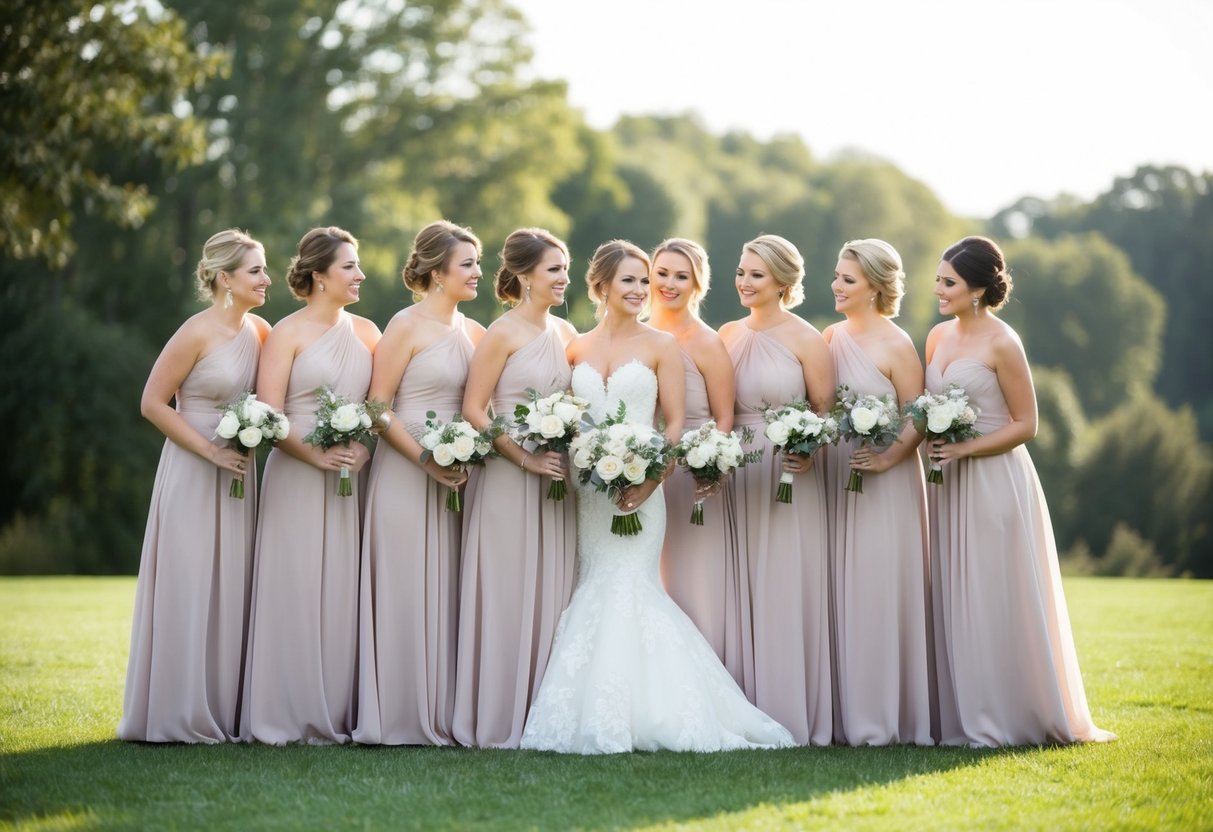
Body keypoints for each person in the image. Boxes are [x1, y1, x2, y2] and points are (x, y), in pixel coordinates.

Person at [520, 239, 793, 753]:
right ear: (600, 285)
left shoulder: (661, 347)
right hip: (590, 492)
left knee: (632, 586)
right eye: (630, 280)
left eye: (644, 281)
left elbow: (672, 424)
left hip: (644, 490)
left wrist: (649, 479)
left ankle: (660, 711)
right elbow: (568, 419)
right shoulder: (574, 346)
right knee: (594, 581)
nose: (642, 289)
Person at [926, 235, 1115, 747]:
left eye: (949, 283)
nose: (939, 291)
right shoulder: (937, 338)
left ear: (979, 288)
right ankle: (961, 714)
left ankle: (1006, 715)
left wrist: (965, 450)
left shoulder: (1003, 342)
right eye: (939, 281)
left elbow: (1027, 423)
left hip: (993, 481)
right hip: (946, 484)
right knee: (952, 591)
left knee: (993, 592)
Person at [118, 229, 271, 743]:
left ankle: (223, 709)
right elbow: (152, 402)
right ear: (225, 278)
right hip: (192, 469)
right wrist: (209, 450)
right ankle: (176, 711)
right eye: (255, 271)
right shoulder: (196, 332)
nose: (266, 278)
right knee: (190, 582)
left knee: (232, 584)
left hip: (239, 476)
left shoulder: (262, 332)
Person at [241, 226, 381, 744]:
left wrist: (365, 447)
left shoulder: (369, 334)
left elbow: (379, 408)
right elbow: (269, 415)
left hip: (348, 478)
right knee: (294, 586)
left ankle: (338, 708)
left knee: (341, 590)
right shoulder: (286, 333)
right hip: (297, 477)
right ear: (319, 276)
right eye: (349, 267)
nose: (360, 274)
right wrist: (315, 454)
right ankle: (284, 709)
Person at [353, 221, 487, 746]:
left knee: (446, 587)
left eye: (478, 262)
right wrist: (425, 461)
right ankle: (398, 714)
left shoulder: (474, 332)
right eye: (469, 264)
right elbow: (376, 409)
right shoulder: (404, 326)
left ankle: (441, 708)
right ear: (436, 272)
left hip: (454, 476)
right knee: (404, 586)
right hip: (405, 473)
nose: (479, 272)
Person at [452, 228, 578, 748]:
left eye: (566, 268)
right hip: (509, 480)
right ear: (525, 277)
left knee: (553, 592)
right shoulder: (500, 333)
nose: (563, 278)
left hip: (557, 482)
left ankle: (543, 712)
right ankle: (497, 712)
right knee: (505, 590)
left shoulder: (569, 334)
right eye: (554, 269)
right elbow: (474, 410)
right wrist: (524, 458)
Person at [719, 234, 835, 746]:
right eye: (741, 271)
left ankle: (790, 707)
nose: (744, 281)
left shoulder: (808, 339)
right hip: (734, 470)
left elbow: (825, 414)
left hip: (788, 473)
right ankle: (739, 702)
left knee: (783, 584)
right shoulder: (726, 333)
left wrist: (807, 451)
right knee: (738, 586)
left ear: (783, 282)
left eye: (756, 274)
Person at [822, 239, 934, 746]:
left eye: (848, 279)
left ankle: (887, 715)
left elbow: (920, 414)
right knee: (841, 592)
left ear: (875, 286)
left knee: (878, 589)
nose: (837, 286)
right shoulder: (829, 337)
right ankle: (846, 712)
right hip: (838, 480)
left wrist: (890, 457)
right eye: (837, 277)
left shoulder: (897, 345)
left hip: (886, 484)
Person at [648, 238, 744, 680]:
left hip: (690, 475)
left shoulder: (705, 342)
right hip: (638, 470)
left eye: (681, 276)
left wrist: (710, 466)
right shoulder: (637, 331)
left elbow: (725, 419)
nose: (669, 283)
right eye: (662, 272)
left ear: (697, 284)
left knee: (693, 580)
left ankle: (707, 681)